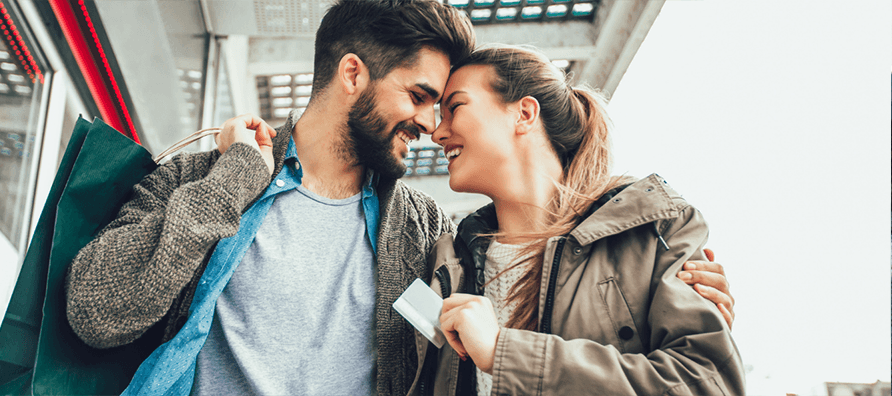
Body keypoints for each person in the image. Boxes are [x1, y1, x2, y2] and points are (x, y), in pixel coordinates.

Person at [65, 1, 735, 395]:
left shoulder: (425, 234)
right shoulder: (203, 178)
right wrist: (233, 179)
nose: (430, 126)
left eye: (445, 107)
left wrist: (669, 297)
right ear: (353, 74)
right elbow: (98, 313)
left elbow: (491, 332)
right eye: (419, 97)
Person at [409, 45, 743, 395]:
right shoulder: (446, 263)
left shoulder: (654, 231)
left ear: (524, 113)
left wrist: (503, 352)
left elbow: (709, 383)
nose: (437, 132)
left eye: (456, 107)